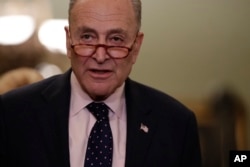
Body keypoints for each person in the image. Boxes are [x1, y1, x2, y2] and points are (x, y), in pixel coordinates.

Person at [0, 0, 202, 166]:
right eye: (87, 37)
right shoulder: (12, 114)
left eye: (115, 39)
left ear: (136, 46)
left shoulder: (176, 125)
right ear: (68, 41)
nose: (100, 55)